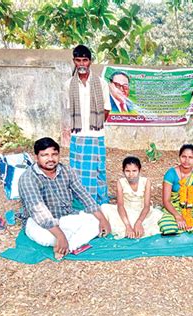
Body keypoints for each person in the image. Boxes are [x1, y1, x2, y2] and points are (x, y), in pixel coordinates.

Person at [18, 137, 111, 260]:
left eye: (54, 154)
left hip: (65, 217)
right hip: (38, 223)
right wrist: (60, 236)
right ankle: (67, 240)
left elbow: (83, 194)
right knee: (49, 238)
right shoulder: (28, 178)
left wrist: (103, 220)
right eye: (45, 155)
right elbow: (39, 212)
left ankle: (68, 246)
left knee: (96, 221)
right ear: (36, 157)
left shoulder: (66, 170)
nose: (50, 159)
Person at [66, 44, 111, 205]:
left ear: (90, 62)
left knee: (98, 170)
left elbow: (107, 109)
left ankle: (99, 203)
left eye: (85, 60)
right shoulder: (68, 84)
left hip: (96, 135)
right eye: (78, 60)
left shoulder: (100, 83)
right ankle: (80, 202)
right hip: (77, 135)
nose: (82, 64)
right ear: (74, 62)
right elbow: (68, 110)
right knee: (77, 171)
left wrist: (96, 123)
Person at [100, 156, 163, 239]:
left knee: (156, 216)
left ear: (139, 171)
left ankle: (137, 227)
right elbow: (120, 206)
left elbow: (146, 206)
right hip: (125, 213)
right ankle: (129, 228)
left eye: (134, 171)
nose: (131, 174)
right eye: (127, 171)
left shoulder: (146, 182)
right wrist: (128, 225)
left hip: (142, 213)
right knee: (104, 208)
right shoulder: (120, 182)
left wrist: (139, 222)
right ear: (123, 171)